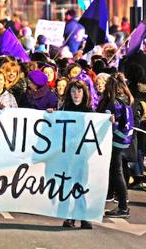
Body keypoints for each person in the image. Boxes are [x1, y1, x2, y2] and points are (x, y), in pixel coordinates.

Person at [50, 80, 94, 229]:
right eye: (73, 91)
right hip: (67, 154)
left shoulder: (89, 112)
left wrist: (109, 121)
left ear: (84, 93)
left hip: (82, 154)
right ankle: (68, 217)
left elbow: (98, 126)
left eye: (79, 91)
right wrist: (51, 115)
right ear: (69, 94)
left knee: (81, 184)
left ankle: (82, 216)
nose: (76, 94)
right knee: (67, 184)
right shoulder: (63, 110)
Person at [98, 73, 134, 219]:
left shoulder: (115, 102)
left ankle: (123, 207)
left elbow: (110, 121)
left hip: (116, 141)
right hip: (123, 141)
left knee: (117, 172)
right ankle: (122, 205)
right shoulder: (125, 98)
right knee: (117, 171)